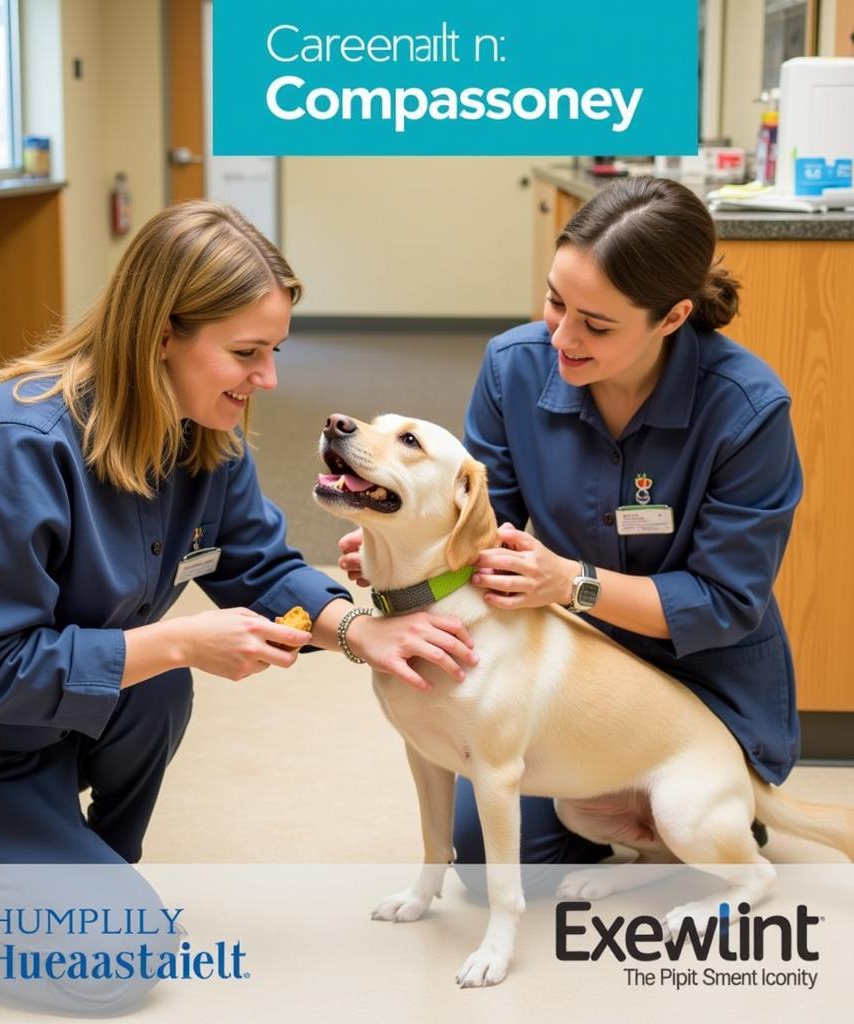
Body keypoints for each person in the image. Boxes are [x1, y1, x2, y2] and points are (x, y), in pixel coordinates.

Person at [0, 200, 477, 867]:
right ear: (162, 334)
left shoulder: (205, 438)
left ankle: (85, 862)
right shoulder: (13, 448)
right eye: (246, 353)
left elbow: (258, 570)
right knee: (122, 956)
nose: (269, 379)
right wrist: (179, 640)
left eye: (274, 350)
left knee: (155, 686)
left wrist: (355, 629)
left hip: (32, 736)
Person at [340, 176, 802, 878]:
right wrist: (399, 542)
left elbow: (726, 601)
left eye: (597, 323)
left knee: (688, 820)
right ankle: (625, 818)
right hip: (556, 680)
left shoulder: (747, 410)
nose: (561, 333)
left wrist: (571, 583)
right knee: (484, 855)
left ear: (673, 318)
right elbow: (475, 530)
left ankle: (706, 808)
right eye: (556, 300)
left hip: (703, 680)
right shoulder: (513, 369)